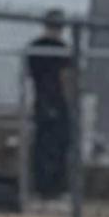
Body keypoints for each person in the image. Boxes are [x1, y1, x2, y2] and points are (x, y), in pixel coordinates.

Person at [24, 11, 76, 200]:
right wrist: (69, 102)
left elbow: (30, 76)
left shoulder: (33, 48)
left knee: (41, 145)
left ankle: (40, 187)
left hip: (40, 100)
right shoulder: (62, 49)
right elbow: (65, 78)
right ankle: (56, 188)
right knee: (59, 146)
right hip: (57, 102)